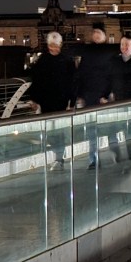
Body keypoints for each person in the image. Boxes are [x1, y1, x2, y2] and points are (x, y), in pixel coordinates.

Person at [27, 31, 75, 169]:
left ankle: (59, 158)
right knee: (49, 132)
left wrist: (72, 102)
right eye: (51, 45)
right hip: (46, 101)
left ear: (60, 45)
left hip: (61, 102)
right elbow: (36, 82)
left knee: (59, 132)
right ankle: (57, 156)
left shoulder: (67, 61)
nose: (53, 48)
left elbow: (73, 83)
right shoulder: (42, 61)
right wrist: (34, 100)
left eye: (55, 45)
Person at [74, 24, 114, 169]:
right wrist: (80, 94)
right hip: (90, 95)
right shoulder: (88, 51)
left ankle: (116, 154)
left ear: (104, 35)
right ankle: (93, 160)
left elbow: (112, 75)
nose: (96, 35)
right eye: (94, 32)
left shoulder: (109, 52)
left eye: (99, 32)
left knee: (110, 128)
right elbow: (80, 74)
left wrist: (106, 94)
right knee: (92, 130)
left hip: (105, 97)